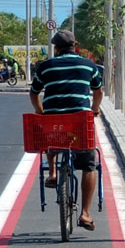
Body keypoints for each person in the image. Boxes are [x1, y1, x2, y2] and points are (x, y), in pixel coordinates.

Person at [29, 29, 104, 232]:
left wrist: (40, 111)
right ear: (75, 45)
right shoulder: (89, 65)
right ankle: (86, 214)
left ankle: (53, 173)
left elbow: (34, 92)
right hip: (80, 121)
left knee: (50, 133)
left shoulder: (45, 66)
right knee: (89, 165)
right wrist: (95, 108)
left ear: (56, 48)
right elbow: (98, 91)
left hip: (55, 120)